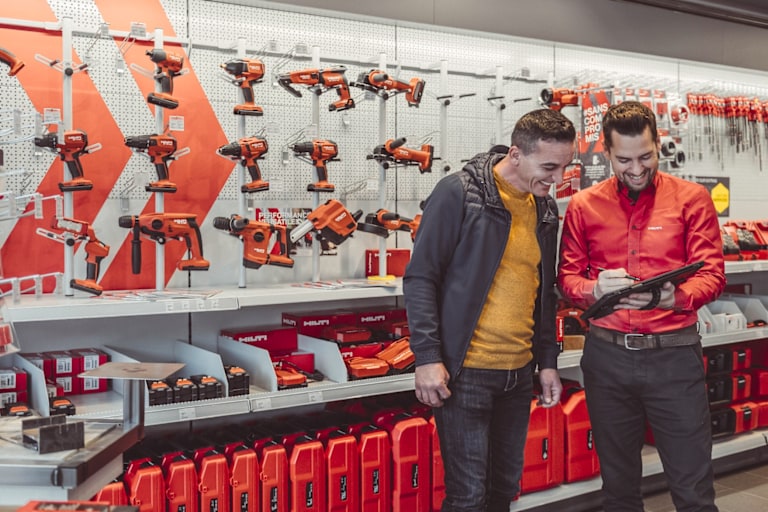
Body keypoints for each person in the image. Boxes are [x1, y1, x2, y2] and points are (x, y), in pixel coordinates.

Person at [404, 108, 575, 512]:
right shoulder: (459, 193)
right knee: (468, 498)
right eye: (549, 167)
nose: (557, 178)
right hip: (467, 374)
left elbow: (543, 293)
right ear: (516, 154)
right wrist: (427, 358)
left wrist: (547, 361)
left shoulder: (543, 208)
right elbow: (420, 279)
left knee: (502, 491)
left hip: (518, 374)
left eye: (565, 167)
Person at [558, 101, 725, 512]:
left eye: (645, 157)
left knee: (693, 490)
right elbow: (567, 280)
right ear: (606, 153)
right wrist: (595, 287)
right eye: (624, 159)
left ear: (658, 145)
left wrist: (675, 297)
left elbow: (713, 275)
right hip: (607, 359)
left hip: (674, 358)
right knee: (618, 490)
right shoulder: (583, 206)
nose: (636, 168)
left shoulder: (692, 199)